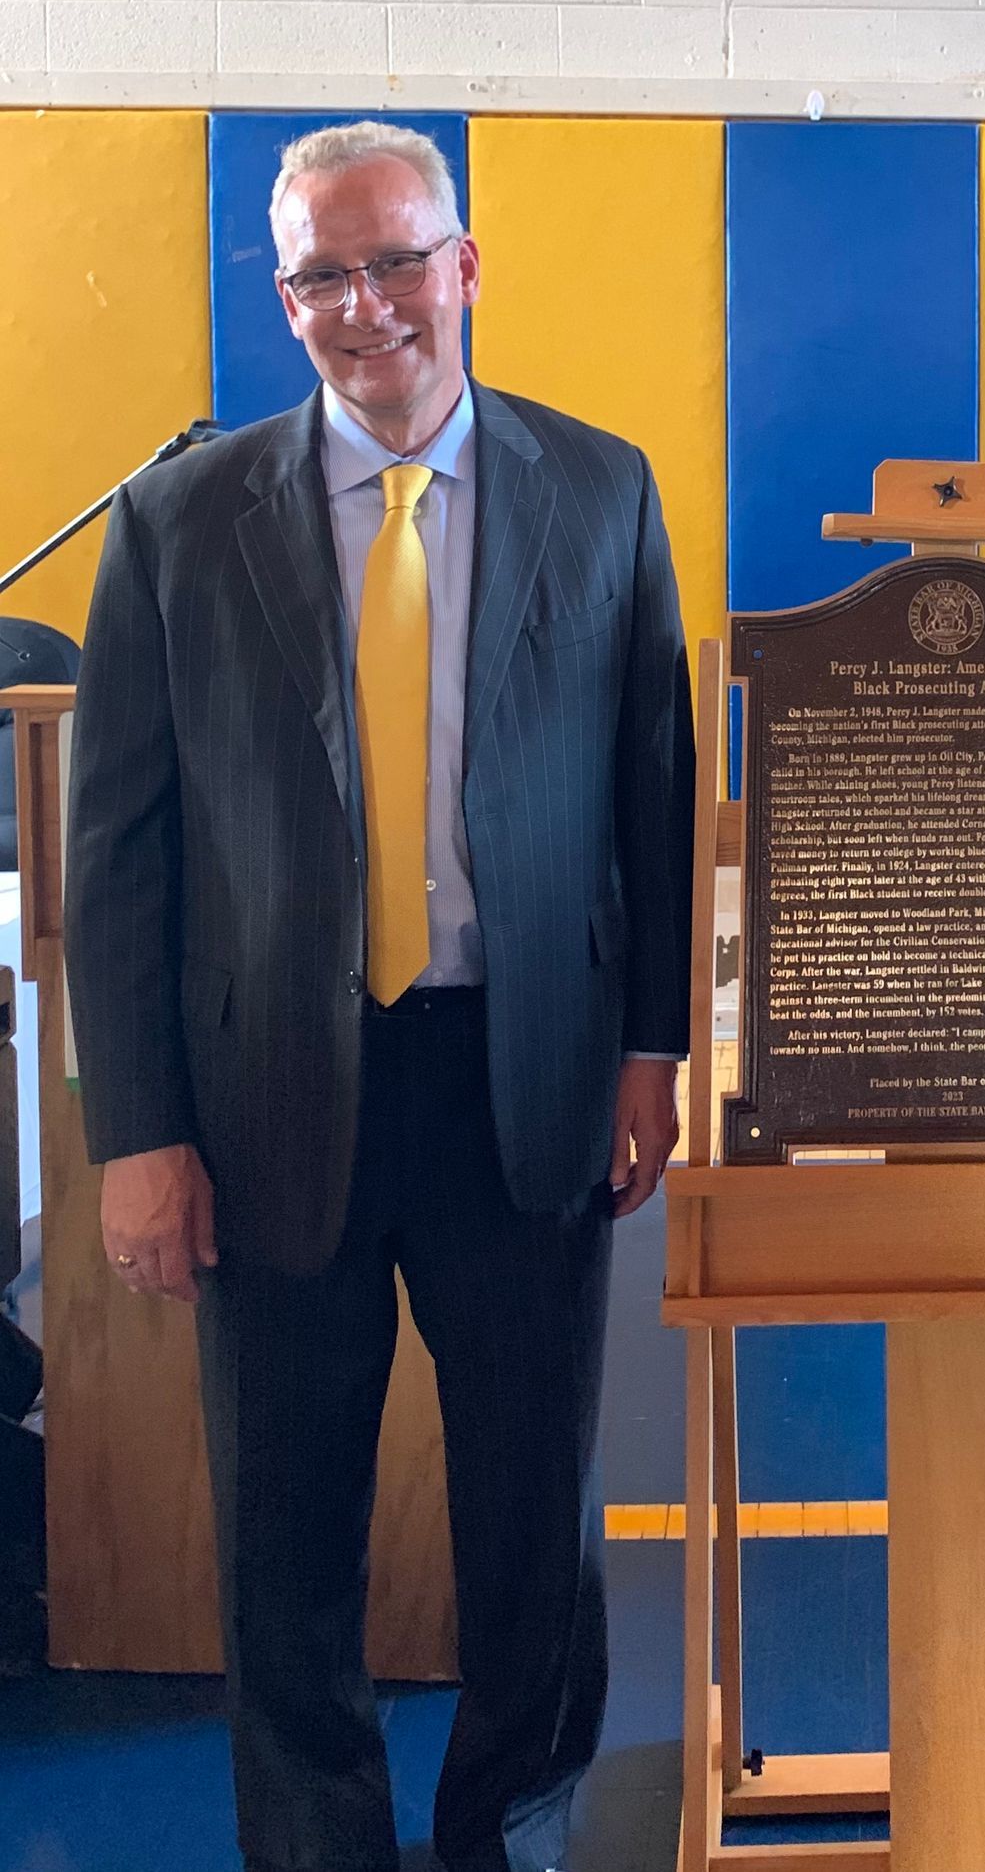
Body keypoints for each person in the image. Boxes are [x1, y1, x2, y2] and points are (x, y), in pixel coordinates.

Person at [65, 120, 695, 1872]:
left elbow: (653, 785)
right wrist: (139, 1136)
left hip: (529, 1083)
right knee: (286, 1531)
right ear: (285, 302)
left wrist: (655, 1044)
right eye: (324, 278)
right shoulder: (180, 524)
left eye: (399, 261)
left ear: (467, 265)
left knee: (530, 1528)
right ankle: (318, 1848)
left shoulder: (602, 487)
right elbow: (115, 852)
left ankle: (516, 1831)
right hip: (271, 1095)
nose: (369, 309)